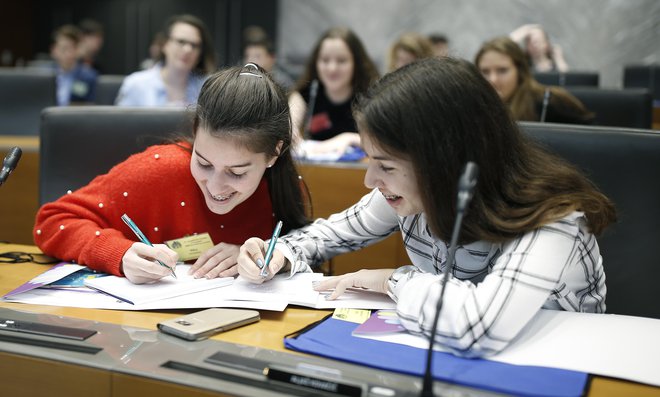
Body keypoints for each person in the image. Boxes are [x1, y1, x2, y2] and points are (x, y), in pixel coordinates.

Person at [237, 57, 616, 357]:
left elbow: (478, 326)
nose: (370, 181)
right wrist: (278, 253)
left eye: (385, 165)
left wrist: (392, 280)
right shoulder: (417, 193)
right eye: (371, 160)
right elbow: (327, 235)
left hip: (551, 371)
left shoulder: (554, 218)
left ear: (444, 161)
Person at [34, 63, 309, 284]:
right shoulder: (160, 169)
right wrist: (119, 253)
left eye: (236, 173)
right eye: (203, 163)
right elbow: (52, 221)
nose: (215, 186)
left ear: (274, 153)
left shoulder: (283, 189)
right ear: (195, 133)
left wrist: (265, 258)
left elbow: (309, 251)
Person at [289, 27, 380, 158]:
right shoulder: (308, 93)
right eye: (325, 60)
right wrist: (290, 128)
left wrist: (349, 138)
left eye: (341, 61)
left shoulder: (371, 95)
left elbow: (383, 141)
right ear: (316, 63)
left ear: (356, 63)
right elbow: (291, 122)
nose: (332, 68)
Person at [475, 37, 593, 124]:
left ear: (520, 71)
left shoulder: (551, 102)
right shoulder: (474, 105)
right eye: (485, 72)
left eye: (502, 70)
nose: (492, 79)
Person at [115, 14, 216, 107]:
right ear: (164, 44)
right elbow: (120, 125)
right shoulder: (136, 84)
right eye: (181, 41)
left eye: (195, 45)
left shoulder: (208, 88)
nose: (188, 50)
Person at [50, 24, 98, 106]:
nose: (68, 54)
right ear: (54, 50)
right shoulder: (45, 75)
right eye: (64, 49)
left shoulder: (89, 77)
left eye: (72, 48)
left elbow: (91, 108)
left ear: (79, 50)